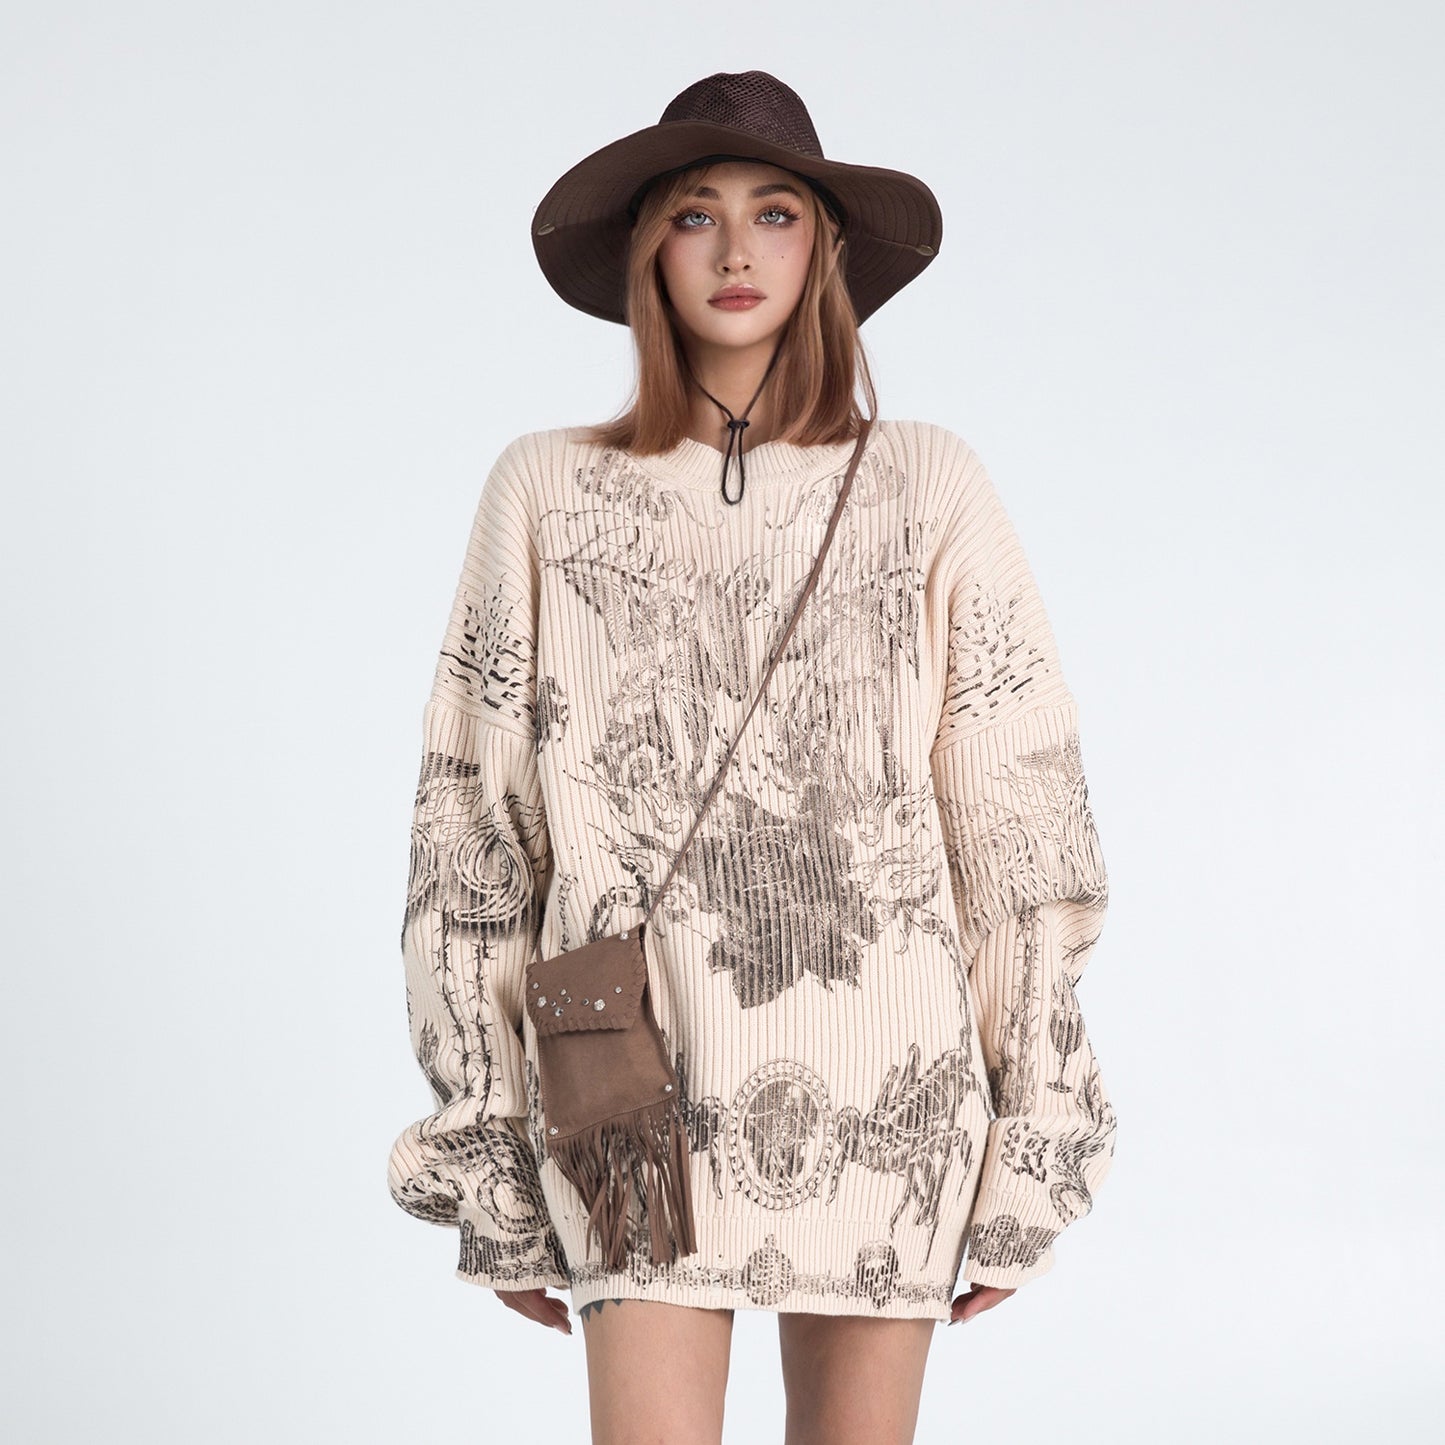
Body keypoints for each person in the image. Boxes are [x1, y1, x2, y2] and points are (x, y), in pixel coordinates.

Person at [386, 70, 1117, 1444]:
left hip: (890, 1086)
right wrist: (485, 1147)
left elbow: (1018, 822)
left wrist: (1036, 1133)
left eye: (775, 213)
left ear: (824, 248)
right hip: (626, 1093)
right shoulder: (543, 487)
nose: (735, 250)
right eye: (694, 215)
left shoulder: (927, 483)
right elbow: (473, 832)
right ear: (645, 250)